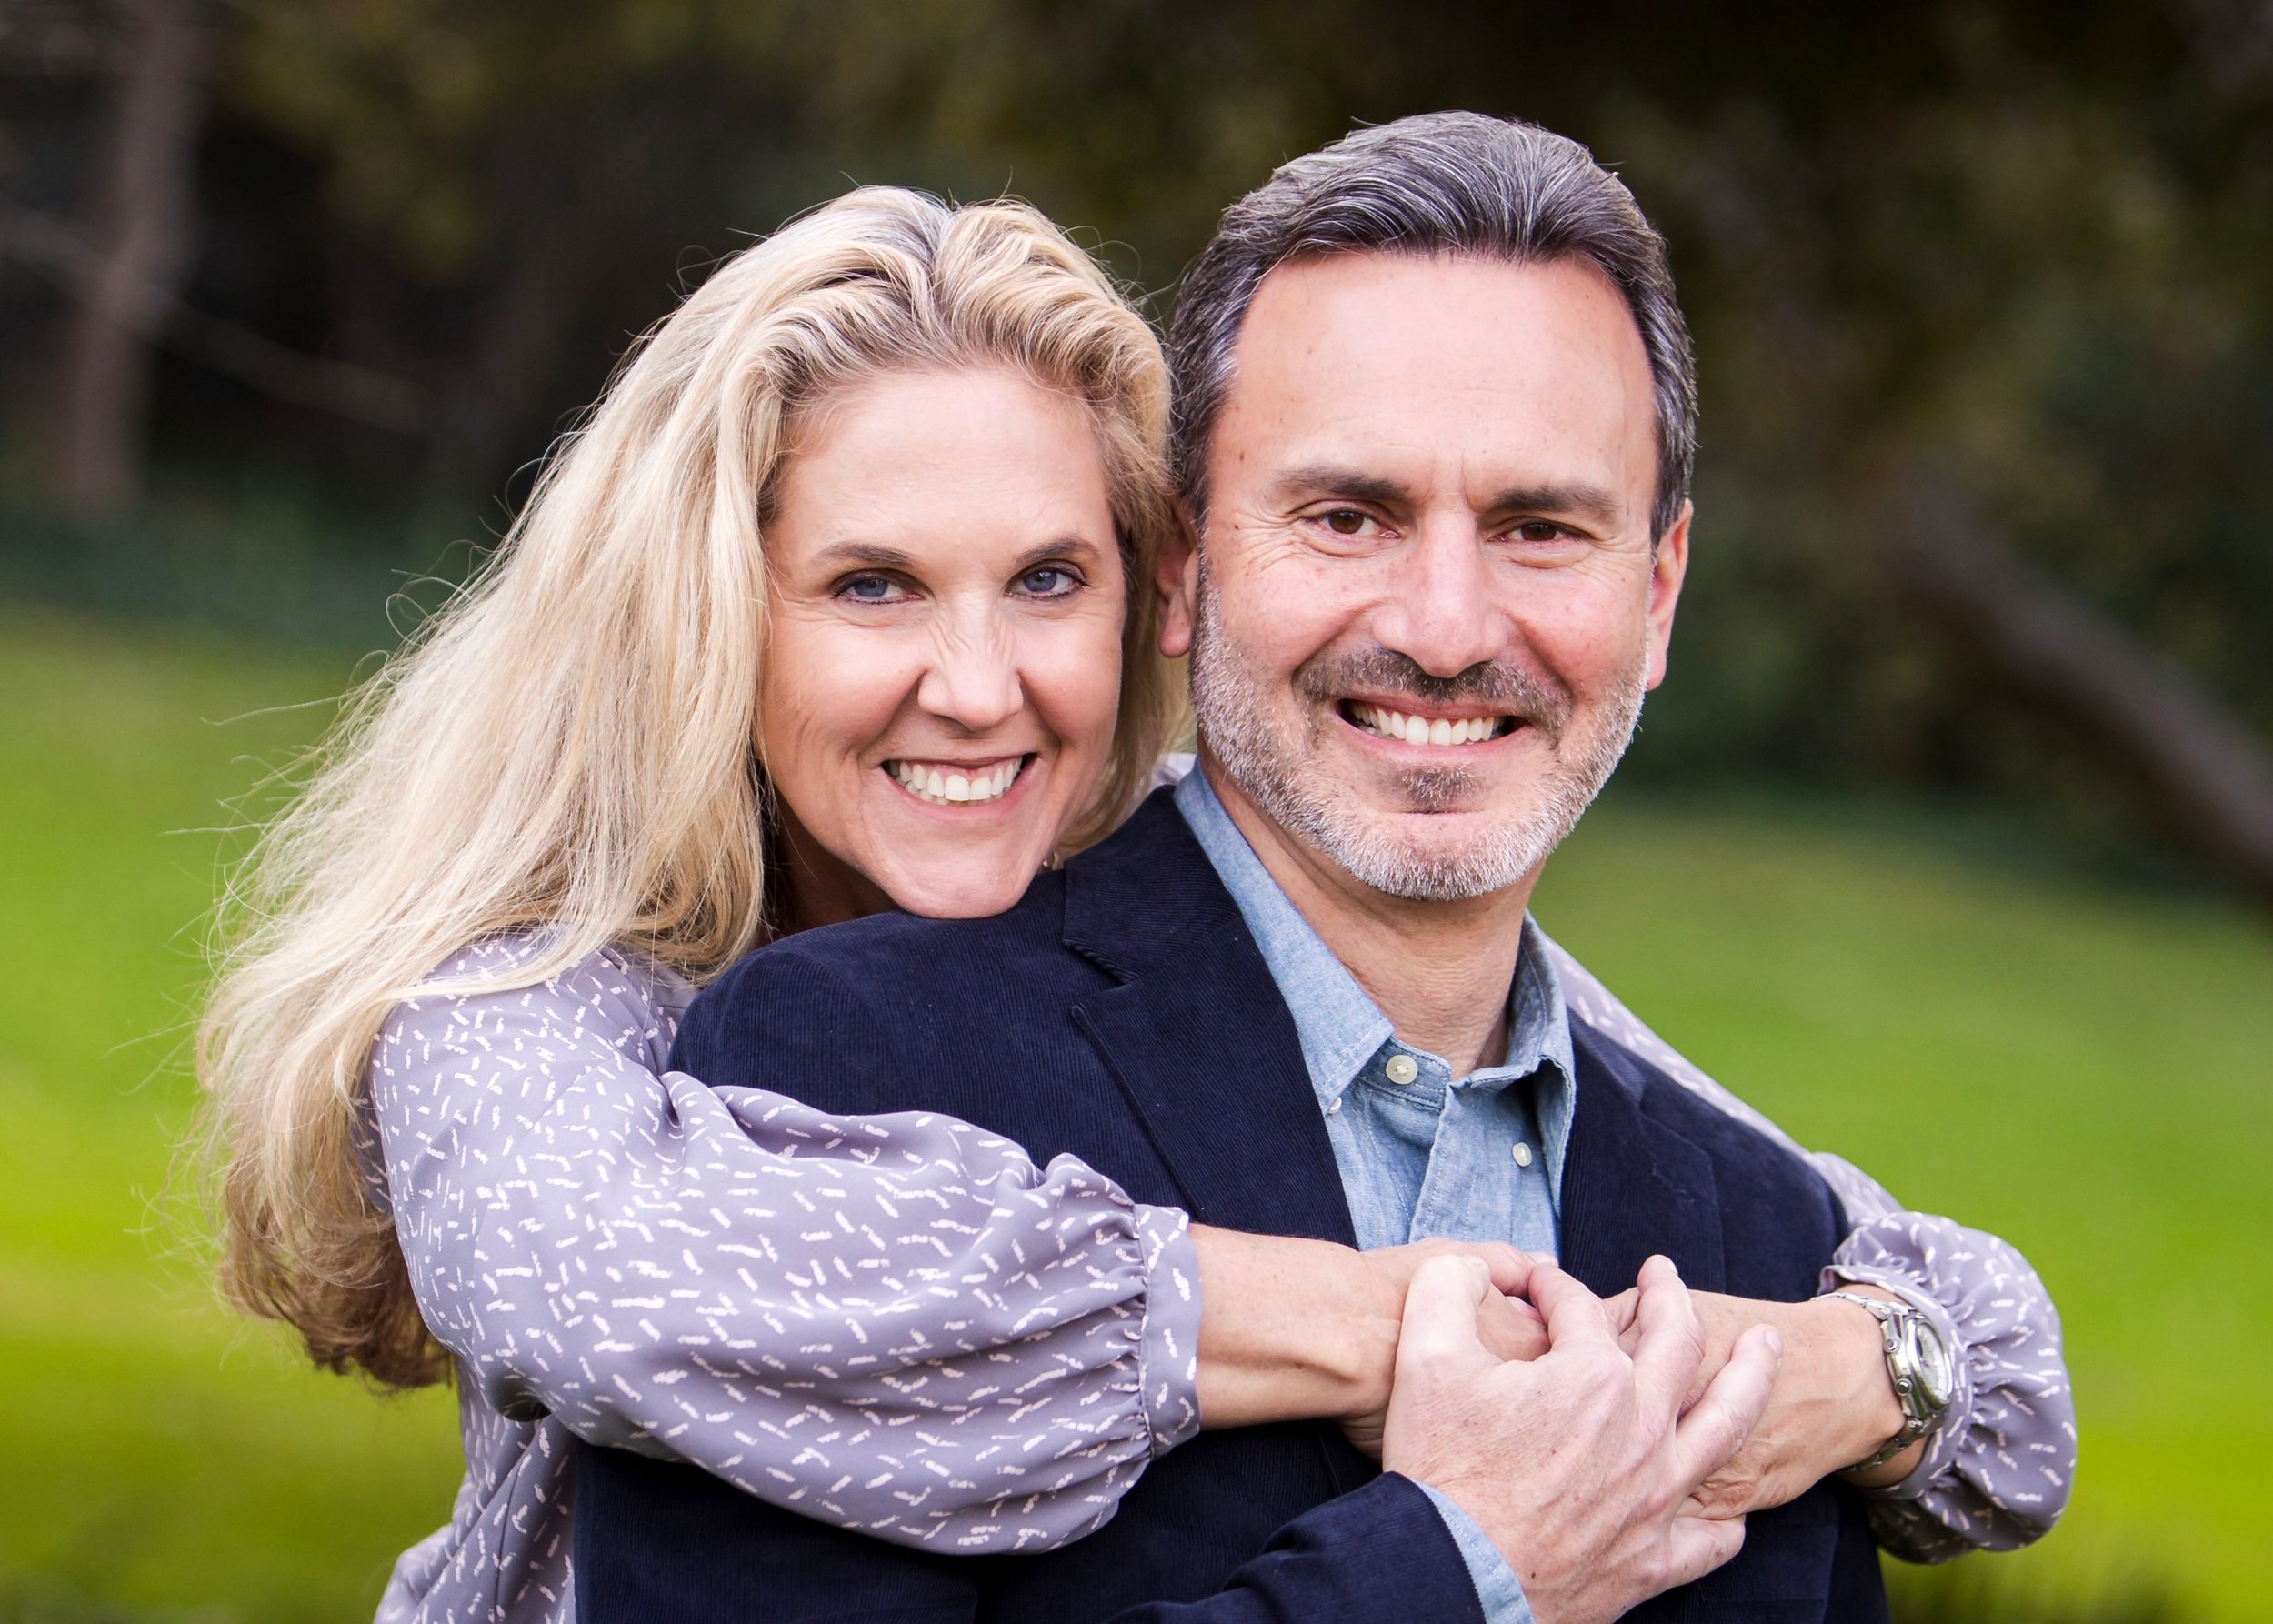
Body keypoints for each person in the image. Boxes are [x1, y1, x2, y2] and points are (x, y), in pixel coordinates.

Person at [195, 174, 2062, 1624]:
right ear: (708, 612)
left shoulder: (1294, 924)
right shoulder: (542, 1006)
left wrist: (1859, 1353)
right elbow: (607, 1280)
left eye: (1043, 579)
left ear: (1147, 591)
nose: (977, 679)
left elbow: (1911, 1293)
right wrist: (1395, 1339)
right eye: (868, 585)